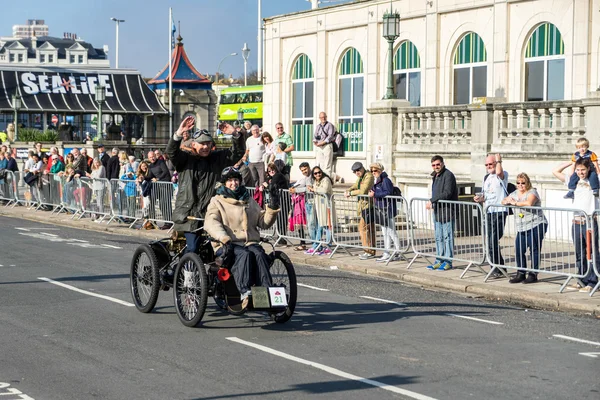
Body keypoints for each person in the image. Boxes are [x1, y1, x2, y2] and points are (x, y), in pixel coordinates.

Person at [205, 167, 280, 309]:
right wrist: (224, 238)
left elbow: (263, 222)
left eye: (236, 180)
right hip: (227, 244)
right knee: (244, 255)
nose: (234, 183)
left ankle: (267, 294)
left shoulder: (248, 199)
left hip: (250, 242)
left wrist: (272, 207)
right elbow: (211, 222)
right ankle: (245, 292)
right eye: (230, 180)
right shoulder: (217, 201)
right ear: (224, 183)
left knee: (259, 254)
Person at [166, 116, 235, 254]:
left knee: (219, 251)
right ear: (193, 145)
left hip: (209, 214)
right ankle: (186, 274)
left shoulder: (216, 159)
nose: (205, 147)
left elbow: (236, 153)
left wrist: (236, 135)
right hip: (188, 214)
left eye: (208, 143)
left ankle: (207, 274)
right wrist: (179, 132)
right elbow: (171, 152)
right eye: (202, 143)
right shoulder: (185, 159)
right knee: (193, 248)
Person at [553, 158, 599, 292]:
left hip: (590, 221)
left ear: (588, 169)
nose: (580, 173)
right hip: (577, 221)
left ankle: (593, 281)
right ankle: (581, 279)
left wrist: (595, 162)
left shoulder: (594, 179)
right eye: (578, 170)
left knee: (592, 252)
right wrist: (572, 161)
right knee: (580, 252)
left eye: (583, 170)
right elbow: (555, 171)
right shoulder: (573, 180)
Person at [501, 173, 548, 284]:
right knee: (519, 249)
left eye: (523, 183)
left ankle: (533, 274)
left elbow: (529, 203)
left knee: (534, 249)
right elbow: (503, 200)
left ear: (527, 183)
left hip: (536, 224)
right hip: (522, 226)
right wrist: (506, 201)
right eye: (518, 183)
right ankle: (521, 273)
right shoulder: (514, 193)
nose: (520, 185)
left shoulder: (532, 192)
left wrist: (515, 203)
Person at [474, 153, 509, 277]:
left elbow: (499, 173)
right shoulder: (486, 177)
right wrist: (480, 198)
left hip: (499, 212)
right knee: (489, 240)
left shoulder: (502, 175)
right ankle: (496, 266)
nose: (489, 166)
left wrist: (499, 160)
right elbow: (485, 195)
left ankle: (498, 267)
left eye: (491, 163)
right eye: (487, 164)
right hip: (488, 211)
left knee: (493, 239)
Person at [426, 155, 458, 270]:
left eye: (438, 164)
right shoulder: (435, 176)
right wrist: (434, 202)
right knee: (438, 237)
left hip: (448, 210)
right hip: (438, 210)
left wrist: (432, 200)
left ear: (443, 164)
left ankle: (448, 261)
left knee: (447, 236)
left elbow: (447, 193)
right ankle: (439, 259)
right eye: (434, 165)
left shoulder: (448, 175)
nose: (436, 167)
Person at [369, 163, 401, 262]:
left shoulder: (385, 180)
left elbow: (388, 192)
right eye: (372, 171)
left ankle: (395, 252)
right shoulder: (378, 180)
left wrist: (375, 194)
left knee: (390, 232)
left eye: (375, 171)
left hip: (388, 209)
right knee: (385, 232)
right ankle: (392, 252)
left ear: (380, 170)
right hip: (381, 209)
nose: (374, 173)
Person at [345, 162, 376, 260]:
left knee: (363, 228)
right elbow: (355, 185)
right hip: (363, 206)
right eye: (355, 172)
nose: (357, 173)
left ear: (362, 168)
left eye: (358, 170)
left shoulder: (368, 176)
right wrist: (348, 190)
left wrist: (350, 193)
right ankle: (370, 250)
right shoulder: (361, 177)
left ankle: (368, 251)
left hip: (368, 205)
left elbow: (363, 190)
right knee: (368, 229)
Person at [306, 166, 334, 256]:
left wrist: (314, 189)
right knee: (320, 226)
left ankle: (329, 246)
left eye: (319, 172)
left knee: (327, 226)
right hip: (319, 206)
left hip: (326, 206)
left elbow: (325, 190)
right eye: (315, 173)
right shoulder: (315, 181)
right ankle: (316, 246)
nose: (318, 174)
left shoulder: (326, 179)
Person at [289, 162, 316, 251]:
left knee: (311, 224)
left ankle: (315, 244)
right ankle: (304, 243)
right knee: (301, 224)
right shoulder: (304, 178)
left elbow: (308, 189)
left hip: (309, 202)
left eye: (305, 169)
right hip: (301, 203)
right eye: (302, 170)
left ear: (309, 167)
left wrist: (295, 190)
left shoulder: (312, 177)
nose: (304, 171)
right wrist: (293, 189)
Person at [146, 150, 173, 225]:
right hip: (158, 186)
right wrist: (142, 178)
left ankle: (169, 222)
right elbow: (150, 176)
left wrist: (158, 179)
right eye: (150, 157)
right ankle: (166, 222)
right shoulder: (150, 166)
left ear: (155, 156)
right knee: (161, 205)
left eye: (153, 157)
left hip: (165, 185)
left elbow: (165, 172)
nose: (152, 159)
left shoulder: (160, 162)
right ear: (148, 158)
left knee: (165, 204)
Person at [313, 112, 335, 177]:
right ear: (319, 118)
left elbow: (330, 136)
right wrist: (315, 142)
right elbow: (315, 136)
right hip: (319, 147)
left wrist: (323, 142)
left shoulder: (330, 125)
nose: (323, 118)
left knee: (327, 165)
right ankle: (322, 179)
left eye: (324, 117)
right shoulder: (318, 126)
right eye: (322, 117)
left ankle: (328, 180)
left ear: (326, 117)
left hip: (327, 146)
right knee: (321, 165)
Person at [88, 158, 107, 222]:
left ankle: (102, 215)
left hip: (101, 186)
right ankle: (98, 214)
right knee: (97, 202)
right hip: (95, 187)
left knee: (100, 201)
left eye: (97, 162)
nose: (96, 164)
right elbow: (93, 176)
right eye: (95, 162)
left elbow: (98, 176)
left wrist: (90, 175)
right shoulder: (93, 169)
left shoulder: (102, 167)